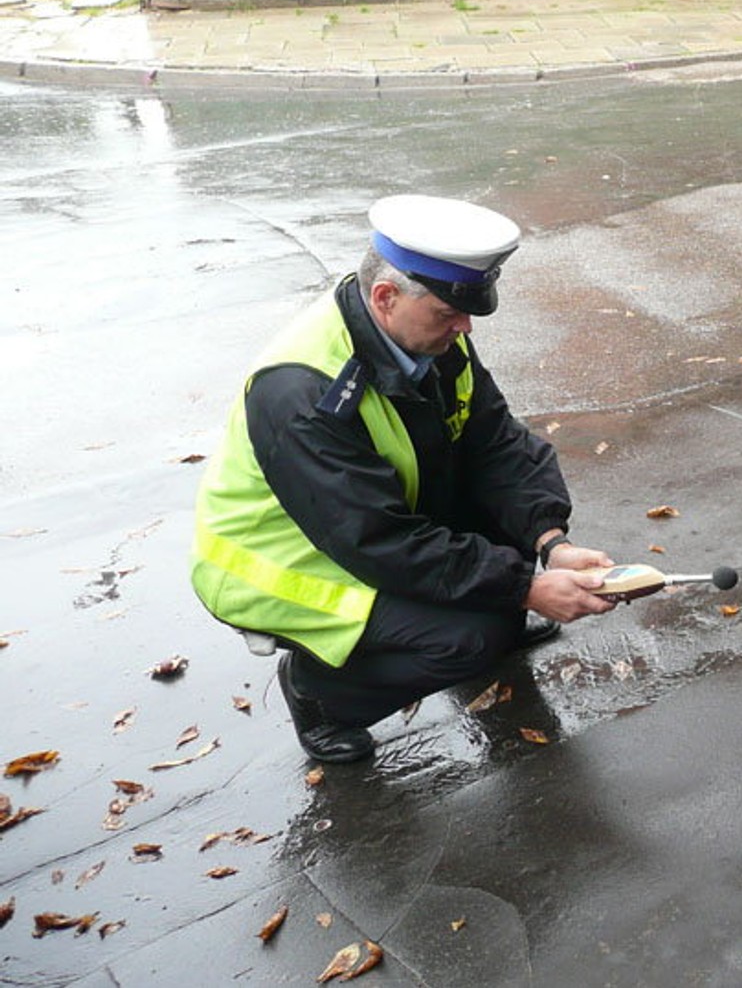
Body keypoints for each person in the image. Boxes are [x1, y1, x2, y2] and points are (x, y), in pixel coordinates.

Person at [191, 195, 617, 764]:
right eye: (448, 313)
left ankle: (497, 613)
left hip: (362, 524)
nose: (465, 327)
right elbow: (376, 540)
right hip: (284, 565)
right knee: (471, 640)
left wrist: (551, 545)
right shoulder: (303, 390)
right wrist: (524, 588)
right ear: (386, 297)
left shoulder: (426, 334)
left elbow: (496, 443)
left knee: (500, 559)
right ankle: (320, 693)